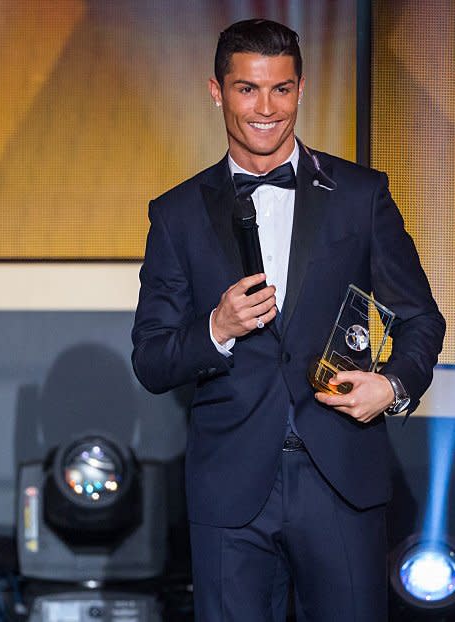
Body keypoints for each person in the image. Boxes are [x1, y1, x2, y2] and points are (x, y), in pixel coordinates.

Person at [131, 19, 445, 622]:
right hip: (230, 490)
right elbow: (151, 359)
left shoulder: (360, 194)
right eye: (247, 89)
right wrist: (217, 328)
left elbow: (421, 318)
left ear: (300, 90)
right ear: (216, 91)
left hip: (342, 479)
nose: (265, 108)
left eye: (280, 89)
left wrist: (394, 386)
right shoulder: (176, 214)